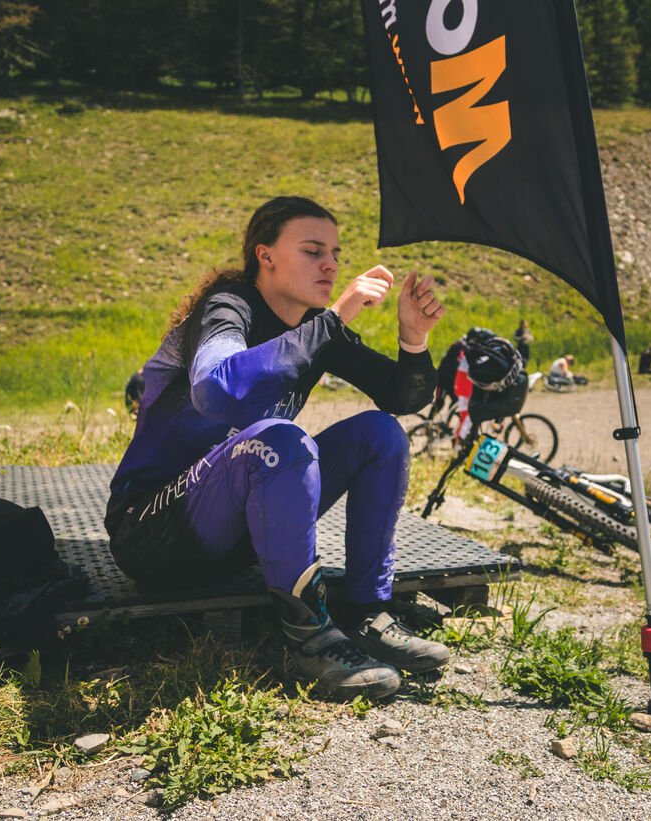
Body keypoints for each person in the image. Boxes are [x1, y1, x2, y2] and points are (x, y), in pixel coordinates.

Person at [104, 196, 449, 701]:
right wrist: (337, 316)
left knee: (382, 435)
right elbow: (218, 390)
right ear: (265, 255)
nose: (331, 264)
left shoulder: (314, 328)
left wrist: (414, 340)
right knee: (281, 439)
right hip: (154, 532)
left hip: (237, 536)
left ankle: (366, 613)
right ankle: (311, 639)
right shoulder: (228, 308)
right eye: (313, 251)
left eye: (335, 253)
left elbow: (403, 397)